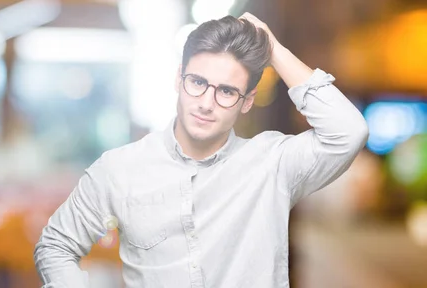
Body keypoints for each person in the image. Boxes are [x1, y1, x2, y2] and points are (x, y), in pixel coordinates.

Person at [34, 12, 369, 288]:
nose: (207, 104)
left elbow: (348, 132)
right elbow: (55, 246)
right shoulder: (120, 168)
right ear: (179, 78)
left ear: (247, 101)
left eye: (226, 91)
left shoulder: (273, 164)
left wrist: (273, 49)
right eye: (197, 83)